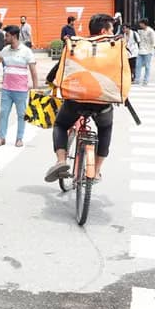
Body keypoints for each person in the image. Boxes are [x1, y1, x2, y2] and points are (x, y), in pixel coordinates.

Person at [44, 13, 117, 184]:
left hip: (76, 102)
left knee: (61, 125)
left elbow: (53, 75)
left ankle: (61, 161)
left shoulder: (76, 46)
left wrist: (52, 84)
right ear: (104, 30)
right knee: (105, 129)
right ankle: (97, 171)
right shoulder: (114, 49)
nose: (113, 33)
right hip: (102, 104)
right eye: (112, 29)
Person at [0, 25, 38, 148]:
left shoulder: (26, 52)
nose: (5, 38)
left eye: (7, 36)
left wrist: (36, 91)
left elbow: (34, 72)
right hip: (6, 89)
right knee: (3, 113)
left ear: (14, 36)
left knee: (21, 115)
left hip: (21, 90)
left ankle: (19, 139)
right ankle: (2, 138)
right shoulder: (5, 50)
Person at [136, 18, 155, 86]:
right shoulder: (140, 31)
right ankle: (137, 79)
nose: (140, 25)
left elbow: (154, 41)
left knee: (147, 66)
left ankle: (146, 80)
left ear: (144, 24)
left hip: (148, 51)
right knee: (138, 65)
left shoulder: (151, 31)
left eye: (141, 23)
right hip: (140, 50)